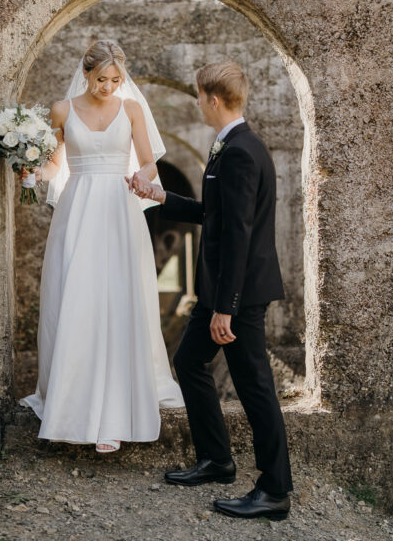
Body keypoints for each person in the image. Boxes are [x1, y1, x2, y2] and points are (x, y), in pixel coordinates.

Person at [128, 61, 293, 520]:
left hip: (235, 295)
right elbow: (215, 215)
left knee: (255, 387)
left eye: (199, 96)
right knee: (188, 361)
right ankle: (217, 460)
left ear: (213, 100)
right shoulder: (232, 145)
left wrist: (225, 308)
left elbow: (238, 235)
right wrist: (161, 196)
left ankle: (275, 489)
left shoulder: (241, 150)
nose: (197, 104)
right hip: (220, 291)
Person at [19, 39, 184, 453]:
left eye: (116, 79)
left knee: (118, 297)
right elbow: (57, 164)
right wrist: (33, 170)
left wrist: (141, 177)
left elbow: (148, 160)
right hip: (77, 208)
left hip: (118, 207)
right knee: (75, 295)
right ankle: (69, 401)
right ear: (86, 73)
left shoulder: (130, 110)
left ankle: (114, 411)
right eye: (101, 79)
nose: (108, 86)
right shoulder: (62, 109)